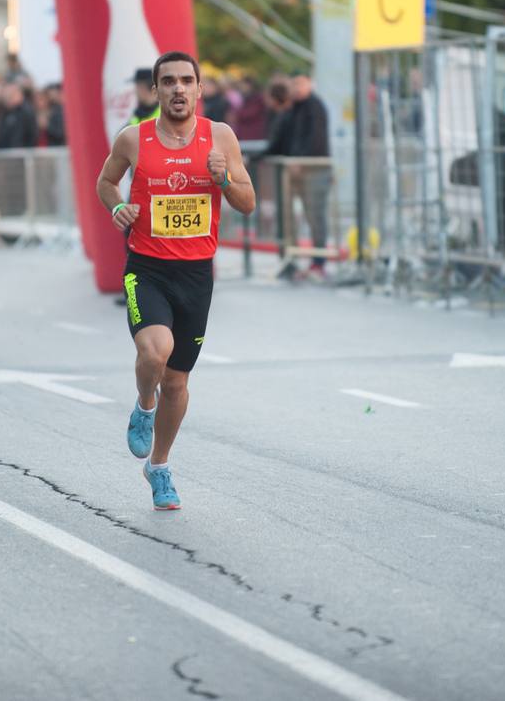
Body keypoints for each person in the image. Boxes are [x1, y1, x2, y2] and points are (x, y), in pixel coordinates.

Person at [96, 51, 255, 510]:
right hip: (146, 268)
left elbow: (247, 203)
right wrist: (116, 207)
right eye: (169, 82)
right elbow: (106, 182)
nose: (179, 89)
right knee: (155, 350)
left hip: (196, 275)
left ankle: (159, 467)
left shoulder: (220, 137)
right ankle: (144, 405)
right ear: (156, 91)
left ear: (200, 90)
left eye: (187, 80)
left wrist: (224, 181)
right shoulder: (134, 139)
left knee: (179, 382)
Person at [265, 72, 332, 281]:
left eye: (301, 83)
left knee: (315, 216)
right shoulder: (290, 109)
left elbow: (316, 139)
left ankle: (318, 262)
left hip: (314, 170)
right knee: (287, 218)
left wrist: (299, 160)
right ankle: (290, 261)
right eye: (293, 84)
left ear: (310, 84)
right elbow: (280, 139)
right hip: (291, 170)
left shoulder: (315, 107)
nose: (297, 88)